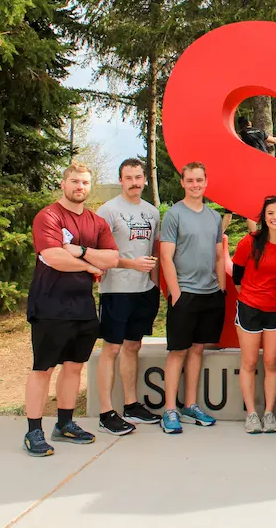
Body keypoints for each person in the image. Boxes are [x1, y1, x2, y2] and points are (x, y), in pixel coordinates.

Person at [23, 163, 120, 457]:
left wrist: (80, 252)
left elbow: (113, 259)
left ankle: (64, 424)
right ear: (63, 183)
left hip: (83, 308)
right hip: (50, 306)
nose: (80, 187)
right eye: (75, 181)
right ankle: (34, 431)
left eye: (85, 182)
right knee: (44, 369)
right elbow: (53, 257)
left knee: (74, 367)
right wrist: (91, 265)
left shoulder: (96, 221)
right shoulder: (48, 216)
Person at [94, 158, 163, 436]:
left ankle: (131, 404)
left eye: (138, 177)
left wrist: (154, 286)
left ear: (145, 179)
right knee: (111, 349)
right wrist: (130, 264)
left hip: (143, 291)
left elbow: (154, 251)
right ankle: (105, 412)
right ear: (120, 180)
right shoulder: (108, 211)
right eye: (129, 177)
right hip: (116, 290)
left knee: (133, 347)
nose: (135, 182)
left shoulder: (152, 212)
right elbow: (99, 255)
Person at [159, 162, 226, 434]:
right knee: (178, 352)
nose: (195, 184)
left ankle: (189, 405)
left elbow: (220, 255)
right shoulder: (174, 214)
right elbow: (166, 256)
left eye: (200, 180)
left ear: (206, 182)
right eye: (190, 180)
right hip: (184, 293)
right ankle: (169, 410)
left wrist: (221, 287)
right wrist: (175, 292)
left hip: (210, 293)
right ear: (183, 183)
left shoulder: (214, 217)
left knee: (198, 349)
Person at [231, 195, 276, 434]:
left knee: (271, 362)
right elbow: (237, 277)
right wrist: (252, 296)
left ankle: (269, 414)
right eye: (271, 213)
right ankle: (251, 414)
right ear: (264, 217)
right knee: (249, 362)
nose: (275, 217)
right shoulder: (250, 242)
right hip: (249, 308)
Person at [221, 116, 276, 234]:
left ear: (239, 125)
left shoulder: (240, 135)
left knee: (243, 209)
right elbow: (273, 140)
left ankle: (254, 235)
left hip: (251, 168)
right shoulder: (259, 131)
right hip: (264, 166)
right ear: (249, 123)